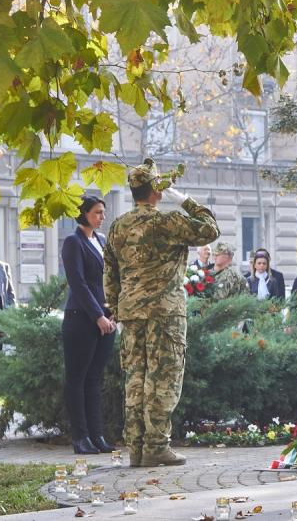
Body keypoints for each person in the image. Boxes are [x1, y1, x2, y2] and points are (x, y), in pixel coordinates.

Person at [104, 160, 219, 468]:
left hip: (131, 313)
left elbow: (110, 274)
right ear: (156, 188)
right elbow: (210, 228)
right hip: (164, 313)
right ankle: (156, 446)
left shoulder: (118, 226)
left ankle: (137, 448)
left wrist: (117, 308)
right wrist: (182, 198)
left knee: (136, 378)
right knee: (163, 377)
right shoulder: (166, 222)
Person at [61, 195, 117, 455]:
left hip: (106, 319)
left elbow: (109, 280)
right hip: (80, 318)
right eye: (97, 212)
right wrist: (98, 315)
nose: (102, 217)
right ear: (83, 213)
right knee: (77, 379)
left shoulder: (102, 241)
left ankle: (97, 436)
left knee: (94, 379)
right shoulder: (73, 242)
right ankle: (80, 438)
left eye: (103, 212)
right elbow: (79, 283)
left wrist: (112, 312)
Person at [0, 240, 16, 351]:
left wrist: (12, 319)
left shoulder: (3, 267)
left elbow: (10, 295)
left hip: (3, 325)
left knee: (0, 360)